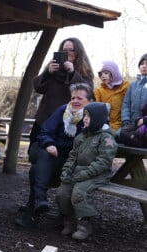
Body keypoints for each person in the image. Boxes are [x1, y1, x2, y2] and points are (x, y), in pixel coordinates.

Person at [15, 83, 94, 228]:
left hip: (74, 162)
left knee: (36, 169)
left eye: (80, 98)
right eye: (73, 98)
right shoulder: (64, 110)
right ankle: (39, 203)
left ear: (90, 101)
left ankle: (35, 207)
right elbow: (45, 132)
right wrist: (49, 144)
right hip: (55, 156)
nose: (75, 101)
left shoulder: (93, 117)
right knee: (44, 157)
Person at [55, 102, 117, 240]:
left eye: (89, 116)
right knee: (62, 192)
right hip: (78, 172)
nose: (85, 118)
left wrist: (86, 173)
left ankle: (85, 225)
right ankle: (69, 220)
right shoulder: (81, 136)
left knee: (79, 192)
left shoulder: (106, 137)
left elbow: (104, 161)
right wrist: (66, 170)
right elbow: (72, 157)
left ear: (99, 118)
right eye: (85, 115)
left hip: (98, 174)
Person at [30, 37, 94, 147]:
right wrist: (48, 73)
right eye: (65, 50)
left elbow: (88, 91)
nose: (68, 53)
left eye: (71, 50)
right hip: (46, 118)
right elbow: (38, 87)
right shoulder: (52, 67)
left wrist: (73, 73)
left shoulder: (84, 71)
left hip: (70, 121)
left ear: (78, 52)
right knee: (37, 149)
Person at [94, 60, 129, 134]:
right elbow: (96, 110)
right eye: (101, 74)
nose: (103, 76)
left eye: (106, 73)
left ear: (114, 72)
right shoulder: (99, 91)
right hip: (105, 125)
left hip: (123, 125)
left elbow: (129, 106)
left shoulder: (126, 87)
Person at [120, 53, 147, 147]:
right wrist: (125, 120)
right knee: (120, 134)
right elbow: (126, 104)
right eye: (142, 63)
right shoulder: (133, 85)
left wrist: (144, 120)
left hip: (145, 124)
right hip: (133, 124)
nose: (144, 66)